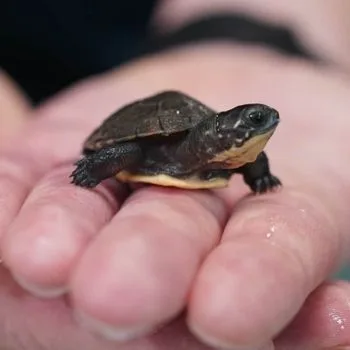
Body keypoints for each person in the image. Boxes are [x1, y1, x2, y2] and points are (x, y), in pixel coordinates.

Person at [1, 1, 350, 349]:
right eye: (255, 120)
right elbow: (130, 150)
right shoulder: (159, 147)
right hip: (44, 71)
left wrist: (261, 177)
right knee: (129, 155)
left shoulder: (227, 154)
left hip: (168, 37)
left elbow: (251, 158)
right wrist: (91, 169)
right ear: (222, 133)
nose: (267, 121)